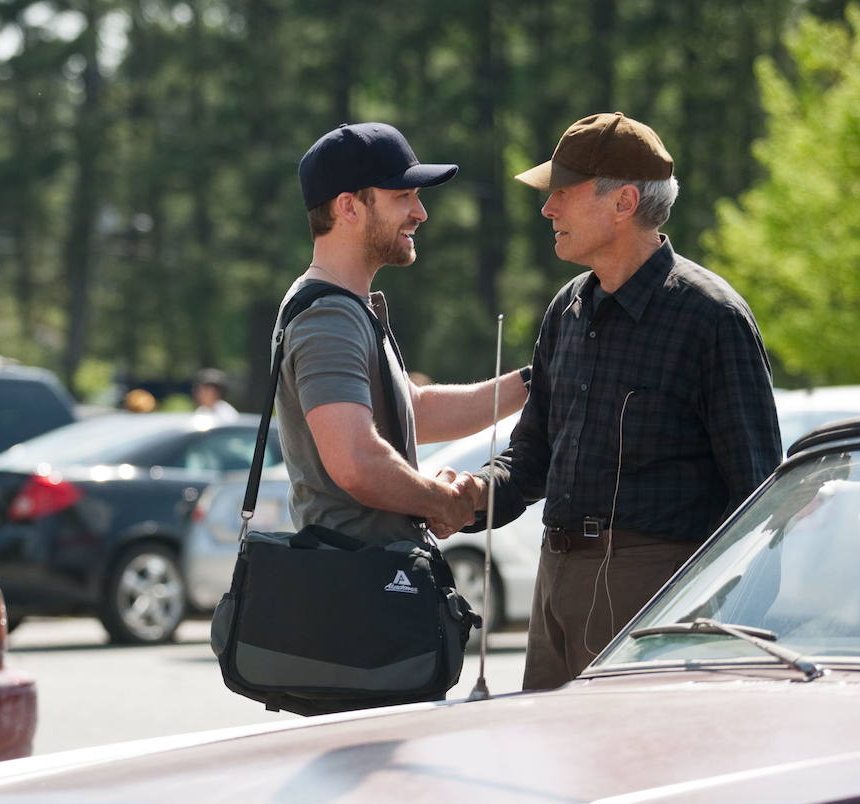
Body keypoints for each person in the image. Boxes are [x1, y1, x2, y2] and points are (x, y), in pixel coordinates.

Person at [457, 111, 782, 690]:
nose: (546, 209)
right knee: (554, 769)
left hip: (657, 600)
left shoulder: (712, 318)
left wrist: (725, 634)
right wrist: (470, 496)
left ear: (624, 202)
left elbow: (757, 503)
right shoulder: (567, 308)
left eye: (561, 193)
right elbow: (531, 455)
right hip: (554, 582)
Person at [276, 122, 528, 547]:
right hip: (357, 584)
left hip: (366, 578)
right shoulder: (328, 318)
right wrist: (441, 502)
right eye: (403, 196)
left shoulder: (344, 306)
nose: (420, 212)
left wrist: (533, 382)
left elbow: (413, 411)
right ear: (348, 207)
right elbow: (355, 461)